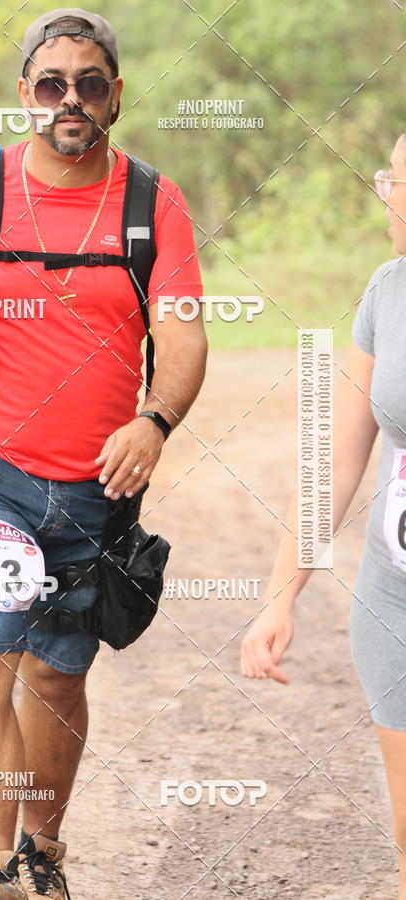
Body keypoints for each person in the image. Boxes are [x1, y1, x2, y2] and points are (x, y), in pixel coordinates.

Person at [0, 9, 207, 899]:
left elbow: (182, 333)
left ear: (115, 96)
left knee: (57, 679)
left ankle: (40, 850)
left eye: (89, 84)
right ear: (26, 94)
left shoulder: (152, 202)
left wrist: (155, 422)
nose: (71, 99)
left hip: (95, 485)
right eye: (53, 84)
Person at [241, 131, 406, 898]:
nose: (384, 194)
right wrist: (282, 595)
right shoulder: (388, 291)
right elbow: (336, 462)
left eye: (394, 180)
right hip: (395, 600)